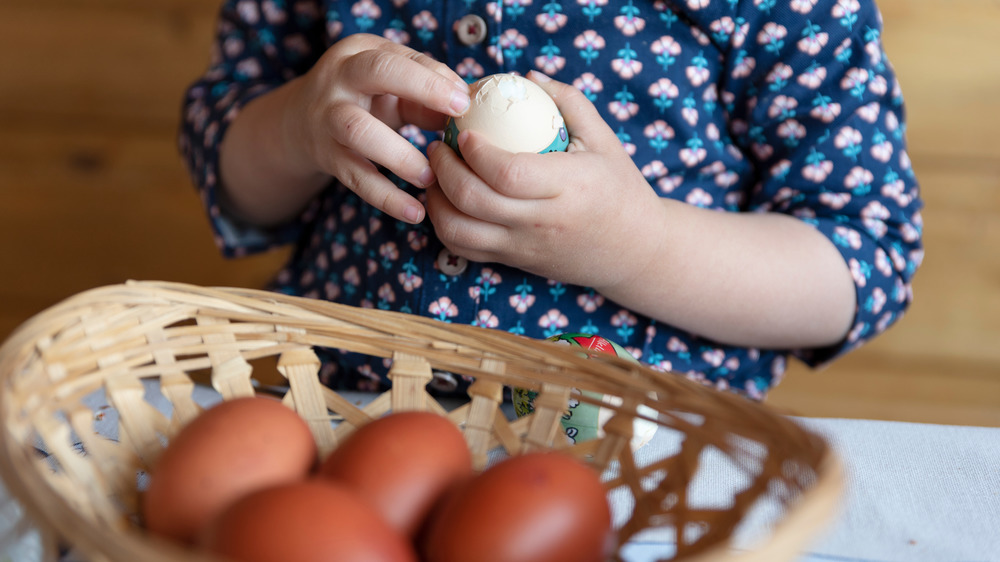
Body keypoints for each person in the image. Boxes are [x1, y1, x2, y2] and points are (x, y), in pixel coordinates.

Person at [179, 0, 922, 399]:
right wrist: (298, 126)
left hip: (634, 454)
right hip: (337, 412)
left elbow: (863, 258)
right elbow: (234, 179)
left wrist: (643, 248)